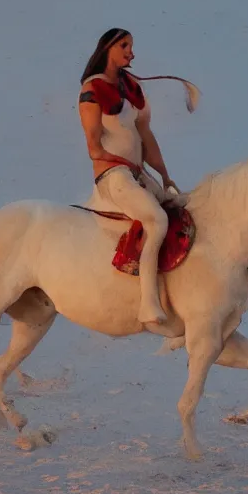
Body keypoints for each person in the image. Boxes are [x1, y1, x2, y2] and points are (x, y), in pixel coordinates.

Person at [78, 28, 181, 325]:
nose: (131, 52)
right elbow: (94, 148)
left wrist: (163, 174)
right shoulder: (92, 89)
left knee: (180, 206)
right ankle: (148, 304)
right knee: (156, 220)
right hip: (114, 175)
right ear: (108, 48)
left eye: (132, 46)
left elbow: (144, 135)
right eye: (125, 45)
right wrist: (122, 162)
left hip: (137, 173)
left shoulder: (131, 86)